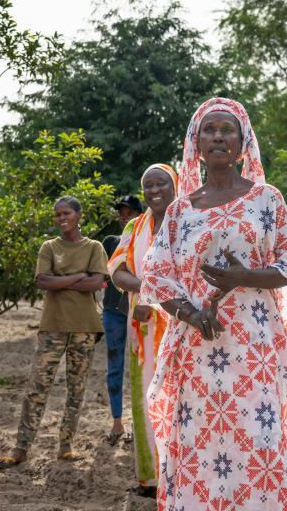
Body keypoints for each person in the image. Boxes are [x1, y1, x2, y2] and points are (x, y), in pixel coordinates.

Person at [138, 98, 287, 510]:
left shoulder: (267, 200)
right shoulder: (180, 211)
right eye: (209, 130)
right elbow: (157, 275)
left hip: (255, 346)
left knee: (259, 438)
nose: (218, 136)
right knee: (200, 442)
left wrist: (245, 277)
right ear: (196, 144)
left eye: (227, 130)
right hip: (197, 348)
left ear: (242, 142)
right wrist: (192, 314)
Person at [0, 196, 108, 468]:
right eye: (57, 214)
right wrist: (78, 276)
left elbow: (96, 282)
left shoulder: (94, 247)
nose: (61, 218)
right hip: (53, 326)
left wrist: (62, 281)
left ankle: (66, 445)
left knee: (76, 389)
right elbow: (43, 281)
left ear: (79, 215)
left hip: (84, 327)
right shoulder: (49, 247)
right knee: (37, 387)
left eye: (66, 213)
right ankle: (21, 448)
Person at [108, 163, 178, 498]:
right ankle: (150, 478)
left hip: (180, 326)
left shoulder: (188, 223)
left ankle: (179, 475)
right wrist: (146, 290)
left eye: (161, 183)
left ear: (175, 185)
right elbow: (117, 269)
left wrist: (152, 295)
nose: (154, 190)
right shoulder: (134, 227)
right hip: (142, 327)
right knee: (146, 396)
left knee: (178, 399)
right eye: (148, 185)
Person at [100, 232, 129, 445]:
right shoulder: (110, 242)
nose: (124, 217)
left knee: (143, 367)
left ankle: (141, 424)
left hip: (141, 308)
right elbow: (102, 275)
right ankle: (117, 421)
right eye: (121, 215)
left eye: (129, 215)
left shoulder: (147, 237)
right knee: (115, 366)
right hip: (113, 311)